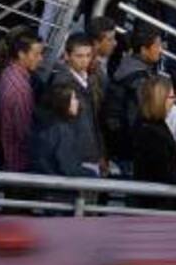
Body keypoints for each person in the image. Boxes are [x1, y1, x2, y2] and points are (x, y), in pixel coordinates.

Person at [102, 24, 164, 167]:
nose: (161, 50)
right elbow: (136, 118)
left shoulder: (131, 68)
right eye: (157, 46)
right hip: (129, 150)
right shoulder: (138, 80)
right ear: (143, 50)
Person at [51, 33, 103, 176]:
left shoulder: (89, 80)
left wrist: (99, 154)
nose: (85, 60)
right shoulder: (62, 85)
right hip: (77, 159)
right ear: (67, 56)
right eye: (79, 56)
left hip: (90, 154)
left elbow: (93, 122)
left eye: (88, 55)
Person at [0, 31, 42, 173]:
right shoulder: (21, 89)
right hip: (19, 162)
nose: (41, 58)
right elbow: (24, 132)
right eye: (36, 54)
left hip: (9, 156)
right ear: (21, 54)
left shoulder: (8, 72)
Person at [131, 75, 176, 185]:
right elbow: (165, 175)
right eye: (171, 97)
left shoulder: (152, 124)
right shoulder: (150, 132)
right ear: (160, 99)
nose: (175, 101)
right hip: (155, 193)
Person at [30, 83, 86, 179]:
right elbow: (69, 169)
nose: (77, 102)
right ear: (64, 103)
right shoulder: (62, 131)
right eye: (74, 98)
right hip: (58, 184)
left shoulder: (43, 125)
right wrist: (92, 174)